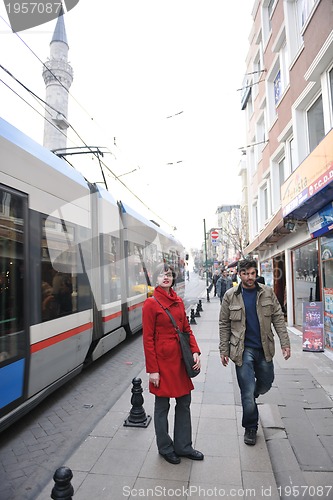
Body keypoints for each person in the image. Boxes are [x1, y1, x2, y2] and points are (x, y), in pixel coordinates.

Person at [219, 259, 291, 446]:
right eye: (246, 274)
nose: (250, 277)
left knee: (266, 383)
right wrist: (224, 350)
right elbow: (224, 324)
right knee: (247, 391)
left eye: (252, 273)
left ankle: (253, 394)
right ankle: (250, 427)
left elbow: (278, 318)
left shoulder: (266, 292)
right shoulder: (230, 296)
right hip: (242, 350)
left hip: (264, 347)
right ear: (239, 274)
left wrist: (285, 343)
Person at [142, 263, 204, 465]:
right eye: (161, 275)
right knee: (162, 405)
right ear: (155, 279)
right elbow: (148, 339)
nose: (166, 277)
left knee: (184, 402)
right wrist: (153, 370)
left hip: (180, 361)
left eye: (168, 274)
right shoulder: (151, 304)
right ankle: (165, 447)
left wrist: (195, 350)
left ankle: (183, 446)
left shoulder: (177, 301)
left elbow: (186, 329)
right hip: (162, 362)